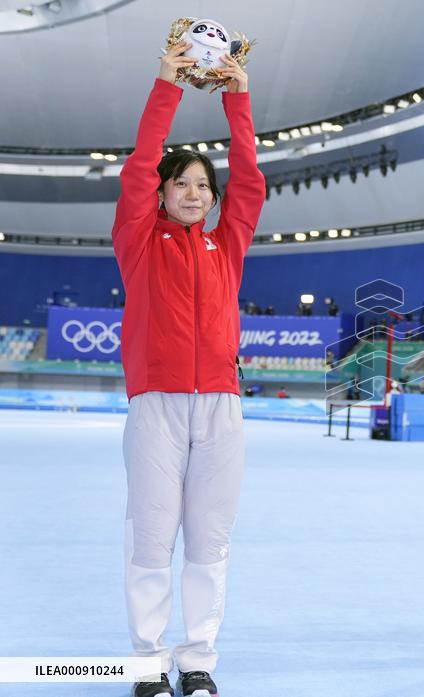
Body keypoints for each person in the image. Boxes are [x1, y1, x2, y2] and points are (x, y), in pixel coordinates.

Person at [112, 43, 265, 697]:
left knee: (209, 540)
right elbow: (138, 167)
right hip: (156, 406)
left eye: (205, 186)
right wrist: (166, 85)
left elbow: (251, 182)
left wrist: (239, 97)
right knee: (152, 537)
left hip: (221, 406)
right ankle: (148, 663)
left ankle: (197, 659)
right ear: (164, 193)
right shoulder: (140, 241)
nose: (197, 194)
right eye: (184, 184)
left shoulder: (226, 242)